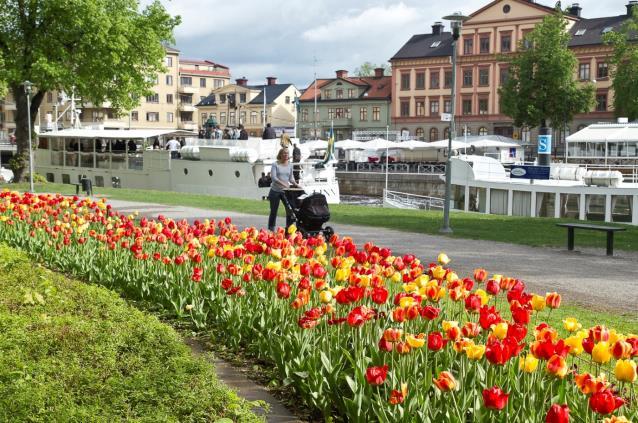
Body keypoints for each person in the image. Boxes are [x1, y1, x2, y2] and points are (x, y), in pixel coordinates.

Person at [267, 148, 299, 232]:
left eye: (287, 153)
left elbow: (291, 178)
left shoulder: (290, 165)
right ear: (280, 154)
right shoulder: (275, 164)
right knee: (274, 211)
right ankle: (271, 229)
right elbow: (274, 178)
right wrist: (284, 184)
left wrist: (296, 184)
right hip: (275, 191)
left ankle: (289, 229)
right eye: (284, 153)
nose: (286, 155)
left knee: (290, 210)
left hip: (286, 192)